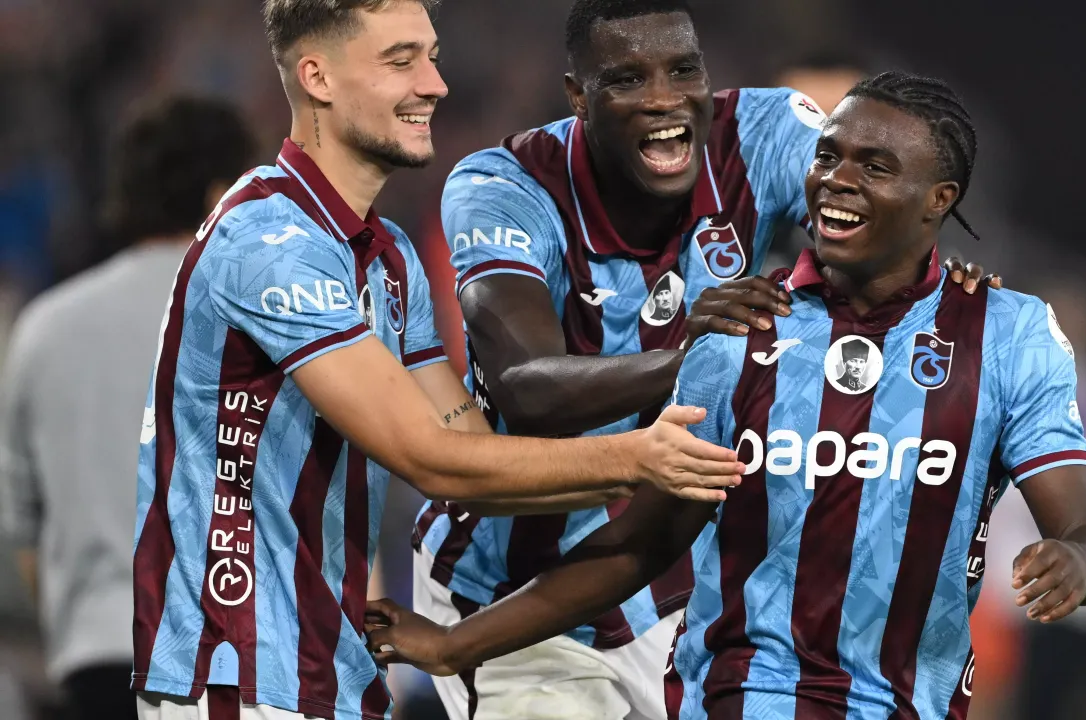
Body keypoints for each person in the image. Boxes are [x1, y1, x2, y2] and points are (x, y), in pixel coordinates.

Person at [375, 71, 1086, 719]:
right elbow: (640, 545)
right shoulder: (741, 335)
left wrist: (1075, 564)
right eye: (827, 156)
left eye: (875, 166)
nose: (837, 179)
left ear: (938, 200)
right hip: (741, 697)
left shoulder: (1009, 337)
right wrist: (453, 645)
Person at [129, 2, 744, 719]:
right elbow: (430, 459)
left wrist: (674, 466)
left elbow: (478, 466)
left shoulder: (389, 258)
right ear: (318, 78)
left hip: (328, 667)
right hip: (234, 665)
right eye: (401, 61)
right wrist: (640, 456)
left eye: (432, 56)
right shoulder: (268, 240)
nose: (435, 84)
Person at [0, 96, 255, 720]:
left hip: (95, 660)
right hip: (231, 665)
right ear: (221, 194)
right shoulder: (261, 323)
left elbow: (24, 535)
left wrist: (82, 624)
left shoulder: (43, 328)